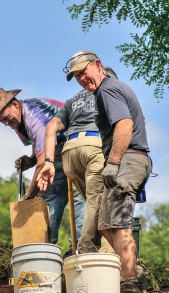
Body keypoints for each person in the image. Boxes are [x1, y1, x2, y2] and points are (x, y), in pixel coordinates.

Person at [65, 51, 152, 293]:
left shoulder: (107, 89)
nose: (81, 78)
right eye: (76, 76)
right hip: (132, 160)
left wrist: (113, 163)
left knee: (118, 224)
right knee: (104, 223)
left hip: (127, 160)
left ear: (98, 65)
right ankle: (135, 274)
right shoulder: (112, 89)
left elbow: (124, 124)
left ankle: (128, 287)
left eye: (84, 72)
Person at [0, 88, 85, 252]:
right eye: (3, 122)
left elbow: (42, 163)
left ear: (15, 104)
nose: (7, 124)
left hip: (80, 149)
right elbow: (39, 150)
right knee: (49, 197)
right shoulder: (17, 121)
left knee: (80, 198)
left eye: (7, 119)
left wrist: (27, 198)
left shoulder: (34, 117)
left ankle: (79, 249)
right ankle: (44, 250)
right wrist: (30, 160)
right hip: (57, 157)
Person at [37, 69, 122, 254]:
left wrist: (49, 162)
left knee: (95, 205)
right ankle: (86, 251)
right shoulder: (111, 91)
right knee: (96, 203)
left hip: (70, 153)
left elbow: (51, 126)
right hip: (94, 147)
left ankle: (107, 251)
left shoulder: (73, 100)